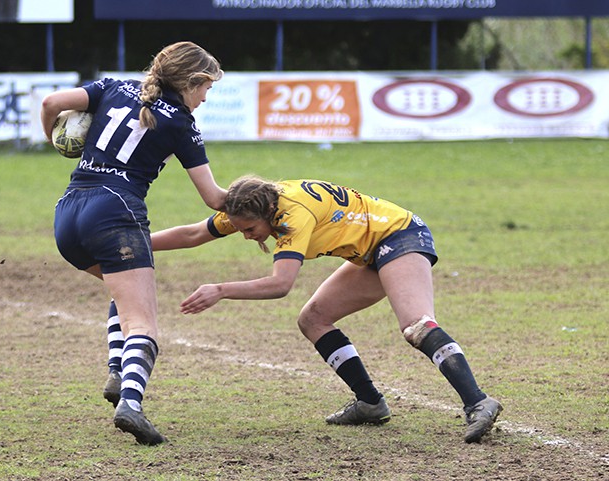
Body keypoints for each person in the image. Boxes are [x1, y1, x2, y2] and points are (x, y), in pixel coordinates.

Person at [134, 175, 503, 443]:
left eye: (249, 230)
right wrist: (131, 244)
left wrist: (220, 289)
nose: (246, 236)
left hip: (400, 235)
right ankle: (370, 403)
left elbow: (281, 284)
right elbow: (194, 234)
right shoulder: (251, 204)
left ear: (266, 216)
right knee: (313, 319)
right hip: (369, 251)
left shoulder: (293, 217)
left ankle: (478, 402)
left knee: (416, 326)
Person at [40, 41, 227, 445]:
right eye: (205, 88)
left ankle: (117, 370)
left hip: (68, 214)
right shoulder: (180, 123)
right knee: (143, 321)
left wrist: (54, 144)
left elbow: (52, 102)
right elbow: (214, 199)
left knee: (124, 292)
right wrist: (267, 199)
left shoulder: (114, 86)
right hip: (115, 211)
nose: (206, 97)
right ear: (191, 83)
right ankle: (131, 404)